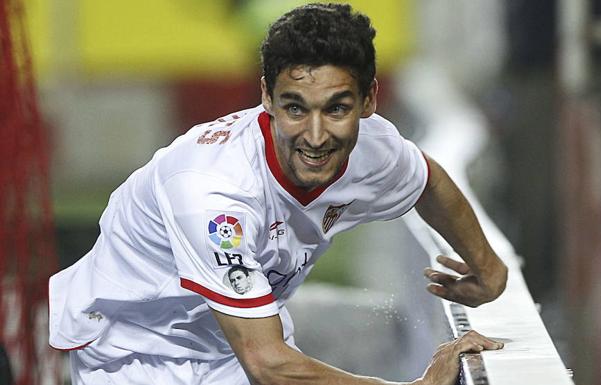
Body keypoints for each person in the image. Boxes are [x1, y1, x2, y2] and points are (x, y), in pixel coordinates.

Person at [48, 3, 508, 385]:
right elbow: (269, 365)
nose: (314, 135)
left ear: (369, 100)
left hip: (231, 344)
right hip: (135, 356)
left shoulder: (374, 146)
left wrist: (489, 269)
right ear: (266, 96)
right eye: (295, 108)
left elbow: (428, 181)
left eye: (337, 109)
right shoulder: (214, 197)